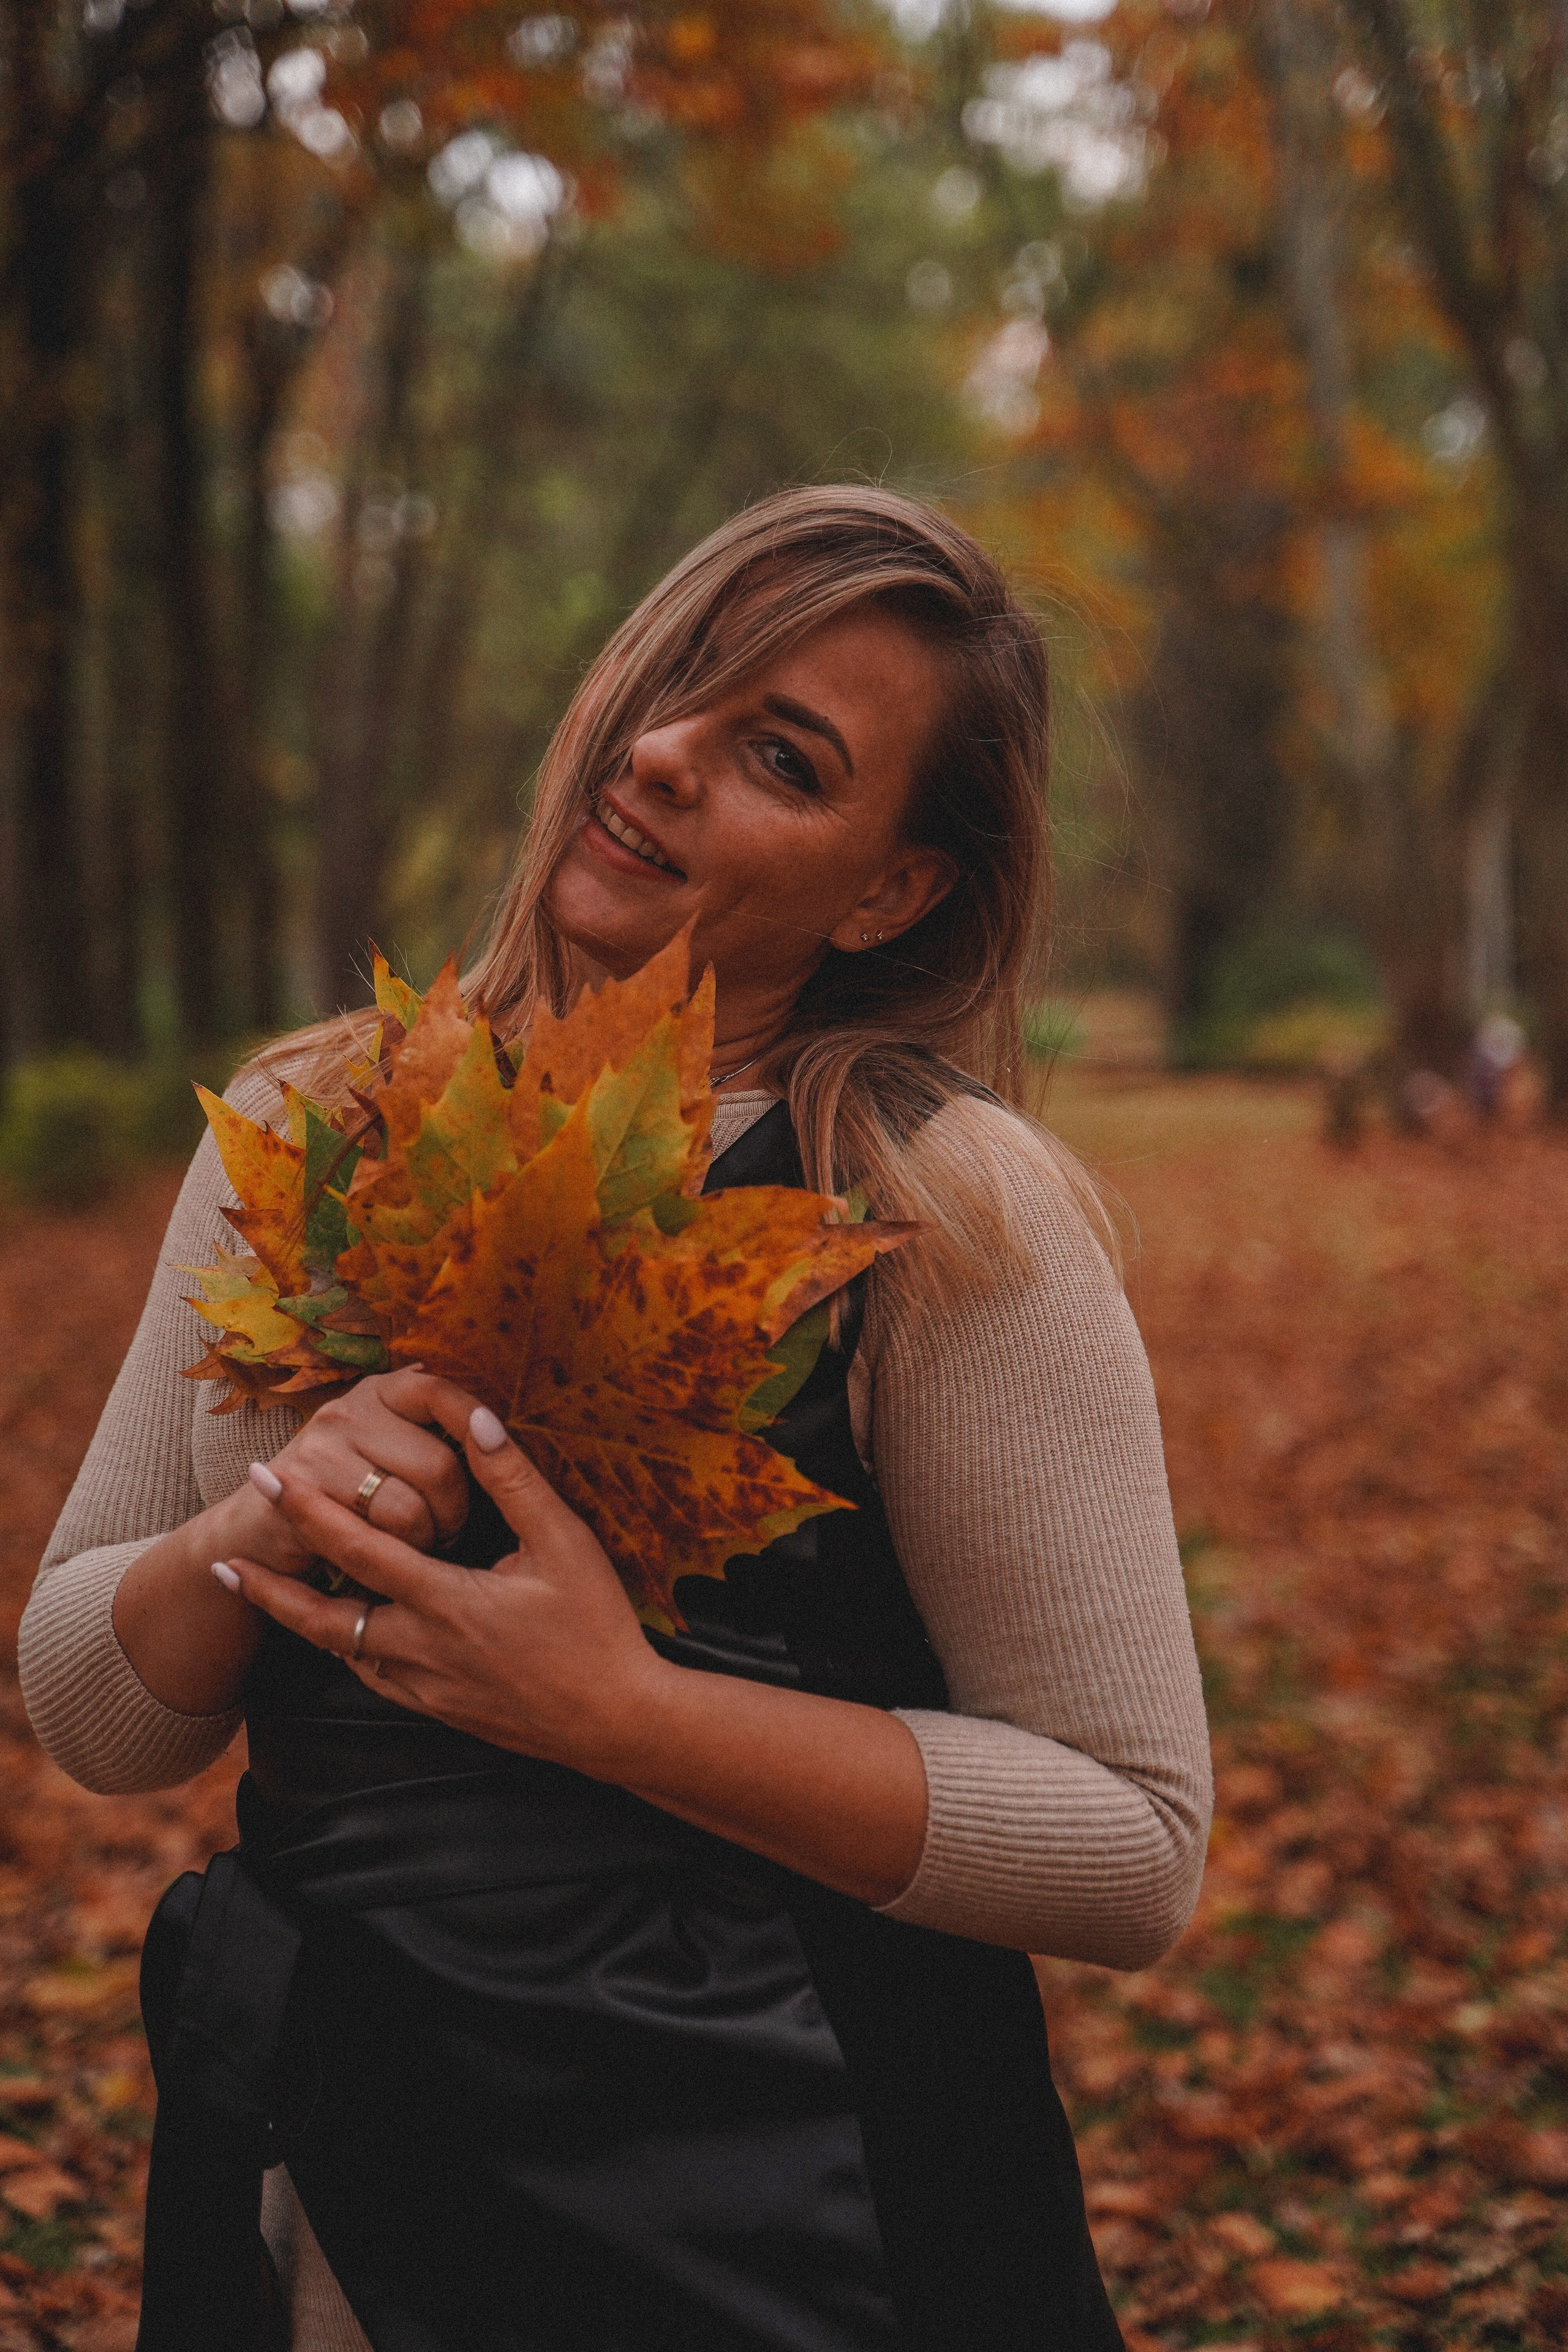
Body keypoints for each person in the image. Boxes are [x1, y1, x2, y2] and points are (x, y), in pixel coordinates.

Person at [20, 486, 1211, 2352]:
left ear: (893, 889)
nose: (656, 754)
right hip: (341, 2194)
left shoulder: (938, 1215)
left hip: (787, 2220)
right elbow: (92, 1706)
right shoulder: (313, 1126)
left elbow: (1133, 1843)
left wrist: (627, 1717)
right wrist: (250, 1541)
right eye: (673, 682)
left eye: (780, 757)